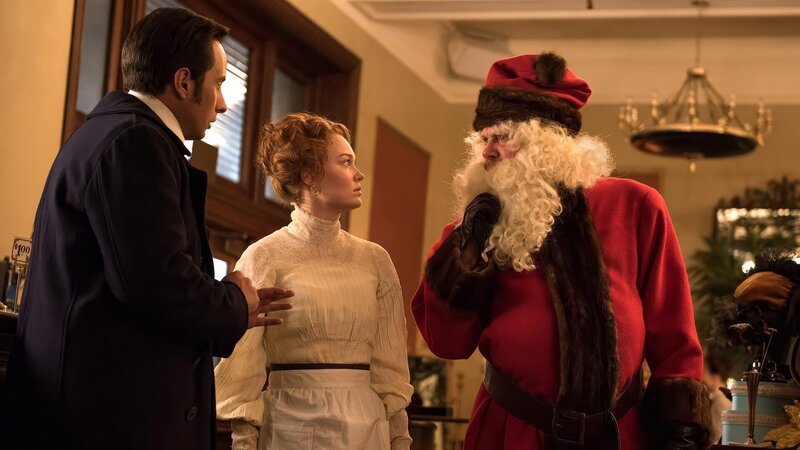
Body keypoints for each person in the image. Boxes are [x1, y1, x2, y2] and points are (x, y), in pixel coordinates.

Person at [1, 7, 292, 450]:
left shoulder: (113, 134)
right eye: (218, 84)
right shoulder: (135, 141)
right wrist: (233, 301)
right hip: (106, 424)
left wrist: (230, 311)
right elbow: (156, 282)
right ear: (183, 82)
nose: (222, 104)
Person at [411, 52, 711, 449]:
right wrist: (466, 247)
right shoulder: (473, 229)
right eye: (484, 138)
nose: (487, 152)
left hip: (619, 435)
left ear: (546, 143)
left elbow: (674, 336)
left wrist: (680, 432)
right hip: (510, 433)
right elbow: (447, 344)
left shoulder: (635, 205)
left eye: (502, 137)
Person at [214, 112, 413, 449]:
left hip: (366, 429)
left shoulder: (375, 260)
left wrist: (399, 439)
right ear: (310, 174)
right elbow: (243, 369)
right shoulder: (264, 255)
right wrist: (245, 442)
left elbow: (390, 370)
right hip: (290, 427)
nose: (359, 174)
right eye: (346, 162)